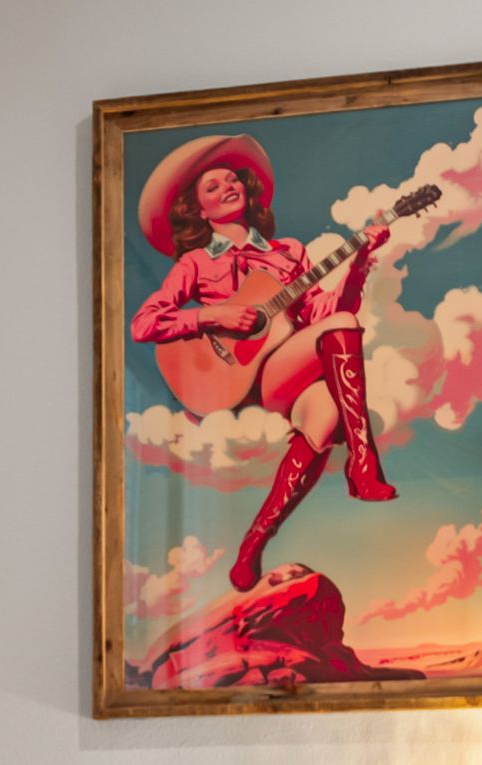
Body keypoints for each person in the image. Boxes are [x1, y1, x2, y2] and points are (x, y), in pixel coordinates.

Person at [131, 131, 392, 592]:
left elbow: (324, 316)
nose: (227, 187)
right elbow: (144, 324)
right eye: (212, 186)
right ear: (199, 210)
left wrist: (359, 262)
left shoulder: (288, 252)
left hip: (282, 372)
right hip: (231, 382)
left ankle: (254, 543)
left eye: (232, 179)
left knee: (325, 409)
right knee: (340, 338)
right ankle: (363, 460)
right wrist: (215, 315)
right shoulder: (195, 264)